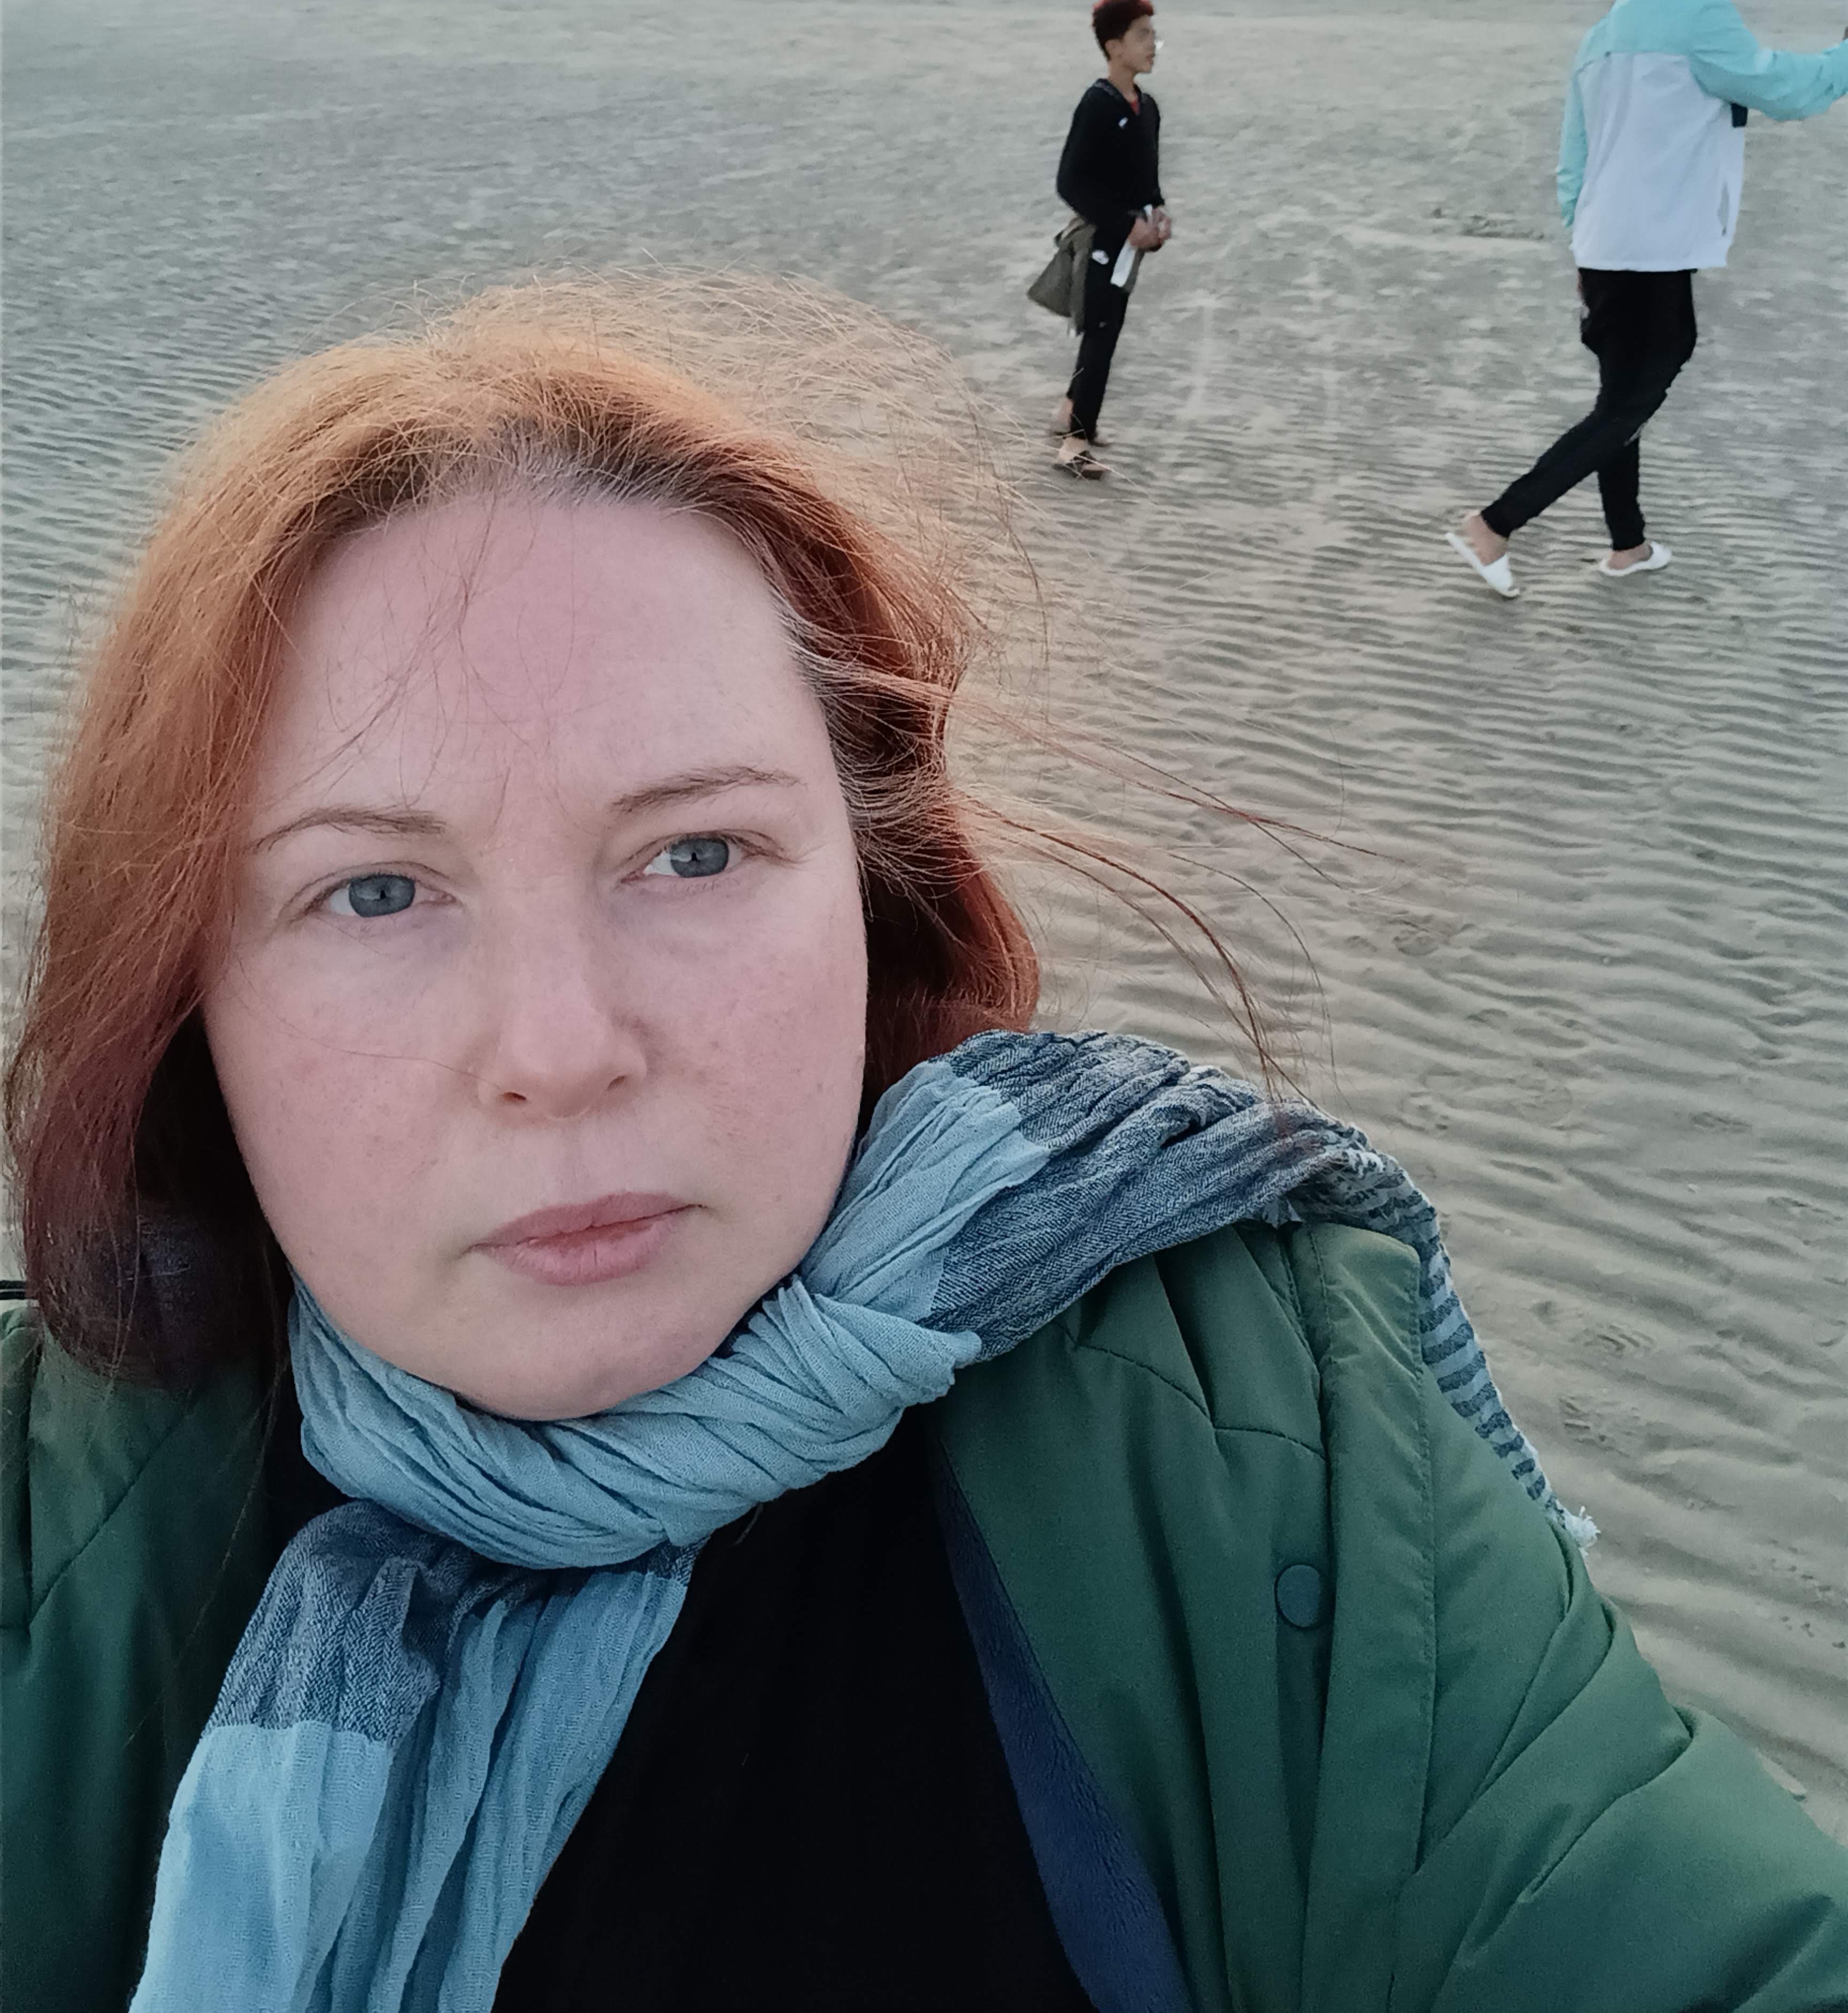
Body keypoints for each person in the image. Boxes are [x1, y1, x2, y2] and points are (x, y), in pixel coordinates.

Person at [5, 284, 1847, 2013]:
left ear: (876, 903)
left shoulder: (1253, 1450)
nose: (561, 1050)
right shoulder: (50, 1540)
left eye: (696, 852)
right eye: (375, 889)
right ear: (182, 992)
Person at [1448, 0, 1848, 597]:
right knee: (1635, 397)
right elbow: (1781, 87)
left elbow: (1574, 154)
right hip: (1653, 246)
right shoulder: (1700, 17)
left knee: (1621, 396)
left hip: (1607, 240)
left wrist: (1582, 241)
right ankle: (1494, 524)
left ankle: (1628, 546)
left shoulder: (1608, 28)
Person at [1049, 0, 1171, 478]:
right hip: (1102, 242)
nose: (1153, 44)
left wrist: (1159, 214)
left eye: (1154, 35)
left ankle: (1068, 412)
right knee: (1100, 334)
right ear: (1115, 47)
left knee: (1108, 328)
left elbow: (1148, 180)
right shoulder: (1097, 104)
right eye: (1142, 36)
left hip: (1131, 245)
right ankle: (1074, 446)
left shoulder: (1149, 107)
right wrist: (1125, 224)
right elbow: (1069, 182)